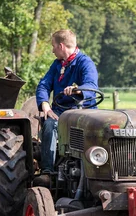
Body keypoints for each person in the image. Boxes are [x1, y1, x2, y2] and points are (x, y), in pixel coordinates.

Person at [36, 29, 99, 174]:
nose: (52, 50)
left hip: (84, 111)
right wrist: (44, 104)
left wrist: (78, 89)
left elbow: (92, 85)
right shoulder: (57, 65)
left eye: (53, 46)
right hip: (60, 111)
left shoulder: (85, 63)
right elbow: (44, 84)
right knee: (50, 124)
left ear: (61, 46)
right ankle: (47, 171)